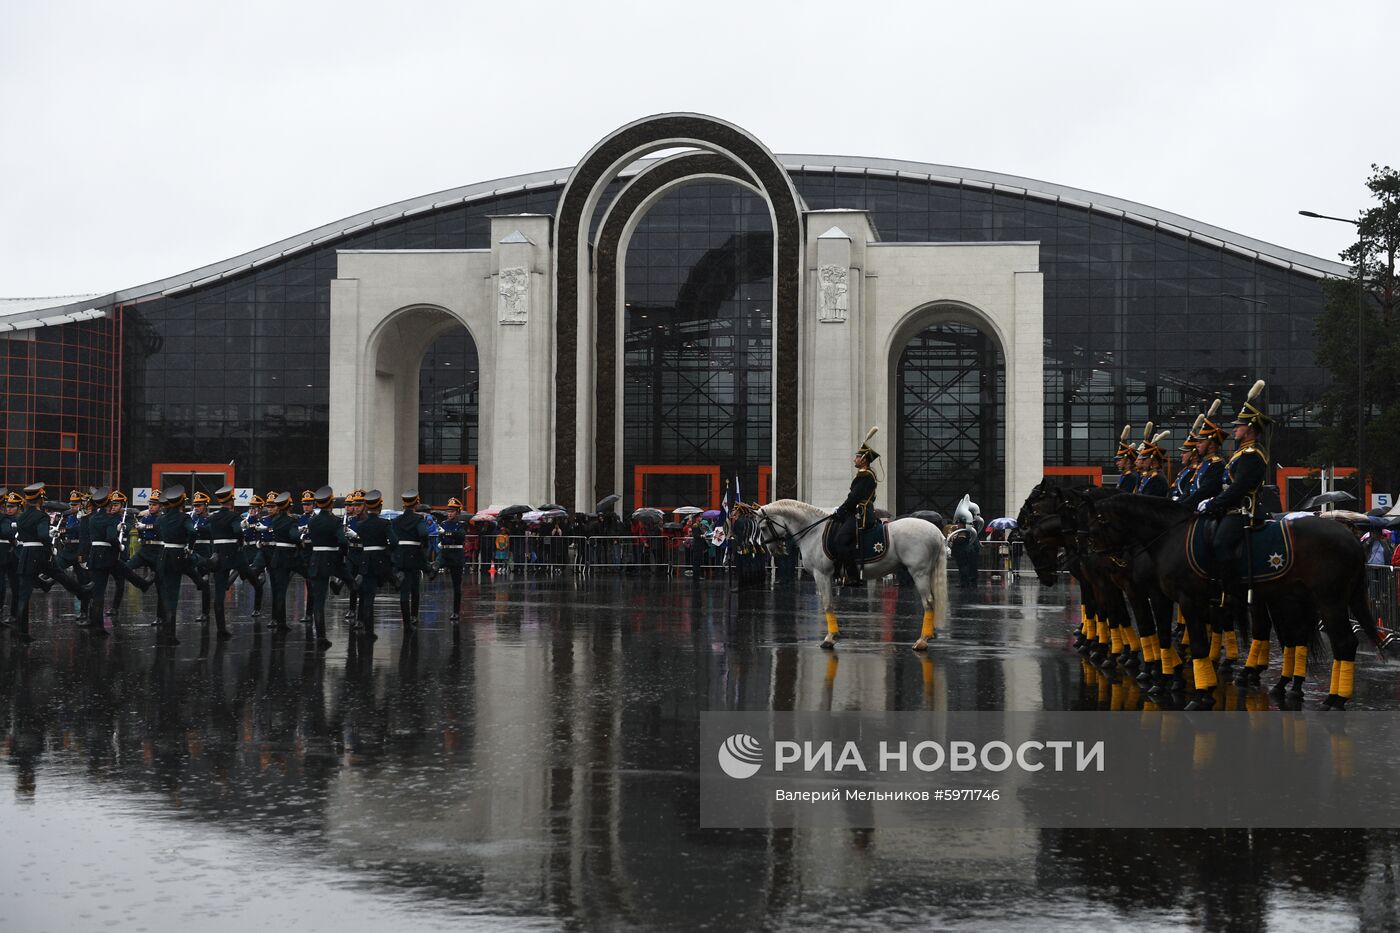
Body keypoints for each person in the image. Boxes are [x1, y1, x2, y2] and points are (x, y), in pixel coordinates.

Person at [832, 429, 881, 587]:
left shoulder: (866, 475)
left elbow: (854, 497)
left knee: (840, 540)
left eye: (857, 457)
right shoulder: (864, 474)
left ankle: (853, 576)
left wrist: (842, 509)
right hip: (856, 512)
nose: (855, 459)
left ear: (864, 460)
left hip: (861, 514)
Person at [305, 486, 344, 650]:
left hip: (316, 560)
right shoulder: (335, 521)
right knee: (353, 581)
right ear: (330, 503)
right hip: (331, 559)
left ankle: (321, 636)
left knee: (318, 602)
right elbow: (342, 541)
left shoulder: (312, 520)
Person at [352, 490, 392, 640]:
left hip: (364, 559)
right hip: (378, 560)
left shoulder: (361, 524)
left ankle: (364, 623)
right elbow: (393, 541)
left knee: (366, 593)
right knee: (370, 596)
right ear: (380, 507)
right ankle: (368, 629)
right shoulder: (384, 523)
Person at [390, 489, 429, 627]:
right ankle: (413, 616)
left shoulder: (396, 520)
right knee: (415, 589)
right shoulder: (418, 519)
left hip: (400, 556)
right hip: (414, 556)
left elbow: (393, 538)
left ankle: (405, 620)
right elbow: (423, 533)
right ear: (416, 503)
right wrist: (424, 546)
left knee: (404, 591)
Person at [437, 498, 467, 621]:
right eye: (448, 511)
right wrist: (441, 537)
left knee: (456, 586)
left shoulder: (461, 525)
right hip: (445, 552)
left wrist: (446, 533)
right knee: (434, 568)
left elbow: (461, 536)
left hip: (456, 554)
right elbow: (441, 538)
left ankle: (455, 612)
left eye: (452, 511)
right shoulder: (443, 524)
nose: (449, 514)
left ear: (457, 513)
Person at [1134, 428, 1170, 496]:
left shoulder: (1158, 479)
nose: (1142, 462)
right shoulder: (1148, 476)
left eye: (1144, 459)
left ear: (1154, 461)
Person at [1113, 425, 1139, 491]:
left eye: (1119, 460)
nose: (1117, 463)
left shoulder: (1132, 477)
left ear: (1127, 461)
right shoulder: (1124, 475)